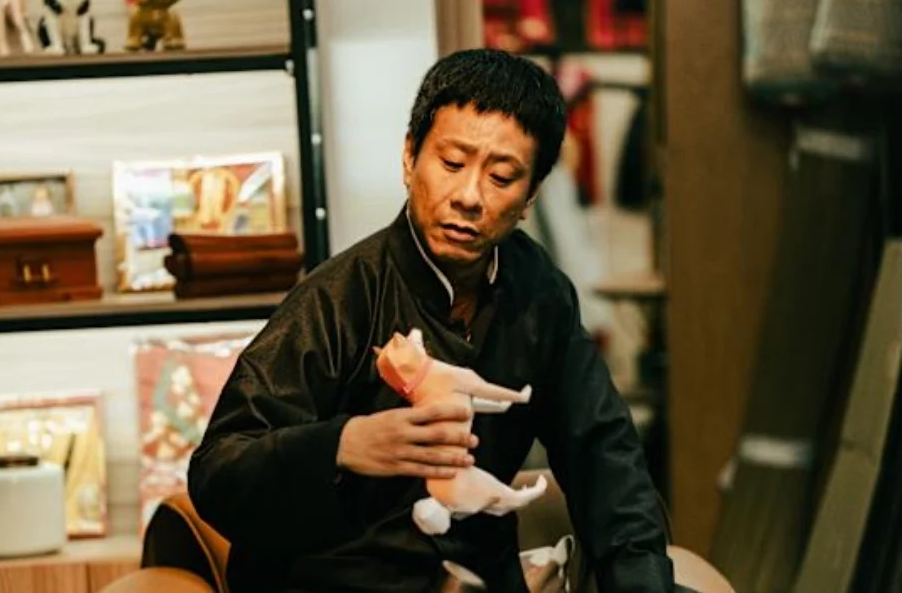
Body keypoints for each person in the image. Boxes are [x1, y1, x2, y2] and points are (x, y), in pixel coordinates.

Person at [187, 48, 674, 593]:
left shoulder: (538, 292)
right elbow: (217, 471)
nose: (468, 196)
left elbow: (604, 456)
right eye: (452, 163)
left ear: (530, 196)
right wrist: (342, 445)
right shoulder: (339, 298)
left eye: (501, 177)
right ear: (409, 158)